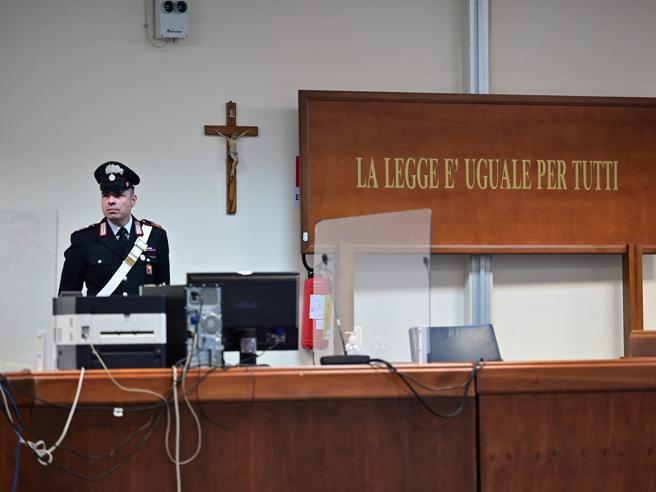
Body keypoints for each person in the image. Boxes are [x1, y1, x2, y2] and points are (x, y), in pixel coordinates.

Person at [58, 162, 170, 296]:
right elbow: (68, 296)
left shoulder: (155, 236)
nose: (110, 201)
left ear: (133, 200)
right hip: (100, 316)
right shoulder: (84, 239)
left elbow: (164, 293)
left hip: (142, 316)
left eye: (118, 195)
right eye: (105, 195)